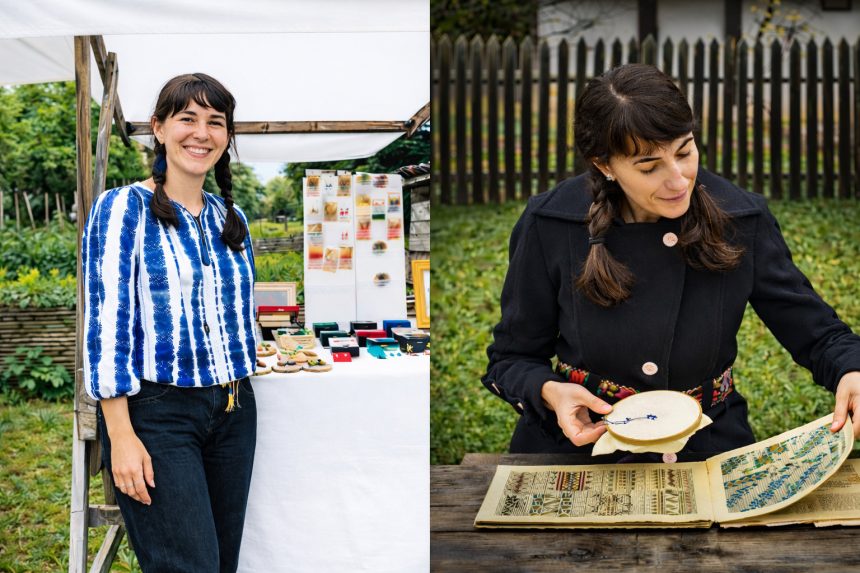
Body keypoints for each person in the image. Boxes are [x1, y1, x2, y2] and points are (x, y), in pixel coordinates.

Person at [483, 63, 860, 458]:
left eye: (685, 151)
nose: (679, 179)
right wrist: (549, 392)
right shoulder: (551, 223)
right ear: (604, 164)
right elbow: (512, 358)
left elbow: (819, 335)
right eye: (649, 166)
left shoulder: (741, 218)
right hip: (581, 447)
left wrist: (851, 369)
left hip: (709, 444)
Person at [82, 73, 257, 572]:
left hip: (235, 407)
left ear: (226, 137)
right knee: (188, 567)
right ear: (158, 128)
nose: (201, 133)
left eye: (215, 122)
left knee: (222, 563)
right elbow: (106, 322)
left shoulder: (232, 217)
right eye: (187, 119)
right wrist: (121, 433)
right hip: (158, 413)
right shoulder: (123, 209)